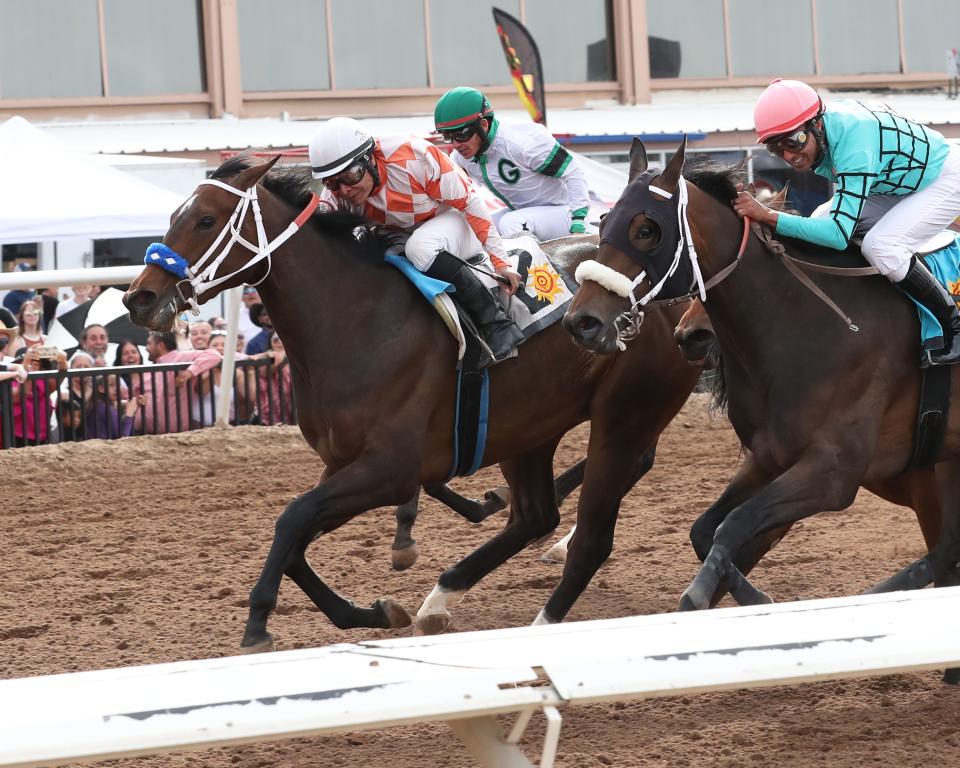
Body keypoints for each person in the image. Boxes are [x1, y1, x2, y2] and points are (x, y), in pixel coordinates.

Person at [733, 78, 960, 366]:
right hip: (896, 184)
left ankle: (954, 326)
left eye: (794, 141)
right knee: (817, 218)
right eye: (777, 149)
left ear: (816, 125)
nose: (789, 155)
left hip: (944, 178)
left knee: (882, 247)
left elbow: (839, 234)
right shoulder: (829, 129)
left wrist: (768, 215)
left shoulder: (853, 144)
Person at [309, 116, 524, 362]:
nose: (344, 190)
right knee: (376, 257)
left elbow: (470, 202)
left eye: (350, 176)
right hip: (405, 234)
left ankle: (498, 325)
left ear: (369, 159)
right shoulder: (335, 197)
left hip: (456, 221)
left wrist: (501, 262)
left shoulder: (413, 156)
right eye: (332, 182)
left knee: (420, 247)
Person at [434, 86, 591, 241]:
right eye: (448, 136)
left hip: (566, 212)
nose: (455, 144)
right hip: (525, 213)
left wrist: (578, 225)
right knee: (475, 225)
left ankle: (536, 266)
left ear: (483, 125)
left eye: (461, 134)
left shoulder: (520, 140)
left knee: (512, 223)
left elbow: (573, 171)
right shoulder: (460, 157)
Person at [140, 330, 221, 434]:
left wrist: (189, 372)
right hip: (147, 435)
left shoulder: (181, 358)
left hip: (176, 436)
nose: (146, 348)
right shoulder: (152, 369)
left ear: (160, 345)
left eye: (149, 344)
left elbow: (214, 355)